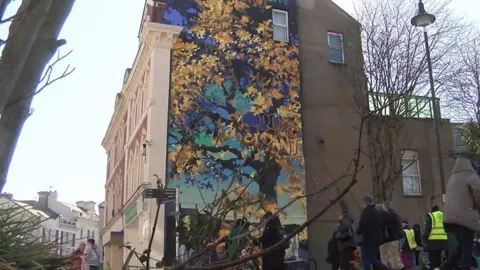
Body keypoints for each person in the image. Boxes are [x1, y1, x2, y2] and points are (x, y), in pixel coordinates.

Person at [441, 158, 480, 270]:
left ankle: (445, 267)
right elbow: (478, 191)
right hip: (464, 218)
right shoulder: (470, 175)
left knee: (462, 245)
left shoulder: (453, 178)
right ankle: (465, 267)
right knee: (467, 244)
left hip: (449, 219)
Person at [356, 195, 390, 270]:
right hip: (376, 239)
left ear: (365, 202)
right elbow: (381, 224)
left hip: (367, 239)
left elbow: (362, 224)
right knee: (369, 258)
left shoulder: (365, 212)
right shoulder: (376, 212)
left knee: (368, 258)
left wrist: (358, 231)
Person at [376, 203, 403, 269]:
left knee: (386, 262)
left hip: (384, 241)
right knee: (394, 260)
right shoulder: (392, 215)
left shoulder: (379, 217)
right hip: (393, 240)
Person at [422, 205, 448, 270]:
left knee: (433, 261)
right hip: (443, 240)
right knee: (439, 259)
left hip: (433, 241)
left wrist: (424, 239)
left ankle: (434, 268)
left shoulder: (431, 216)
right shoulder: (443, 215)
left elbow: (428, 229)